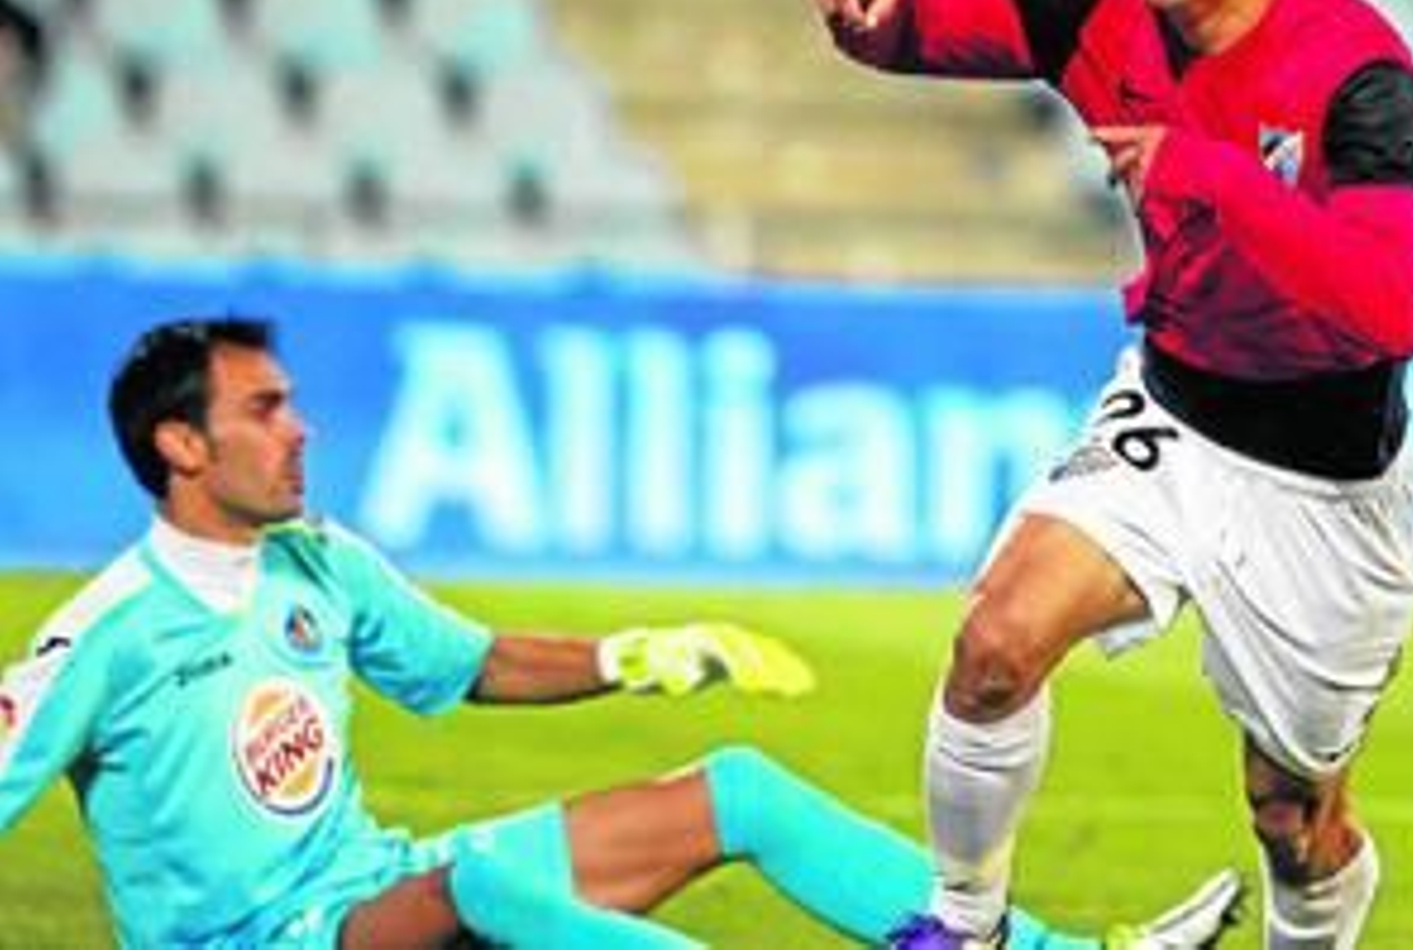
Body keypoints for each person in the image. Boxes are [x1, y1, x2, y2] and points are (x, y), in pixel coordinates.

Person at [0, 316, 1238, 949]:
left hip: (363, 898)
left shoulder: (317, 562)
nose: (302, 429)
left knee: (736, 793)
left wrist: (635, 654)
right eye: (264, 411)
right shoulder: (106, 634)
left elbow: (462, 666)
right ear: (180, 445)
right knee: (482, 885)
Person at [812, 0, 1413, 950]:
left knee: (1291, 815)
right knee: (996, 644)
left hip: (1327, 480)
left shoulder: (1358, 72)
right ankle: (964, 926)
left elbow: (1386, 308)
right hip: (1171, 414)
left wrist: (1204, 170)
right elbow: (963, 21)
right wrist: (881, 14)